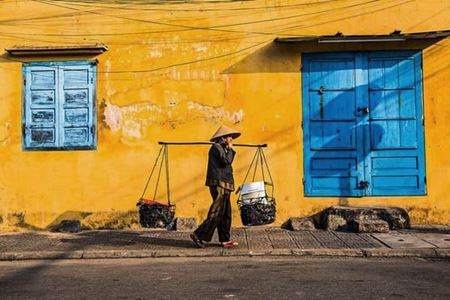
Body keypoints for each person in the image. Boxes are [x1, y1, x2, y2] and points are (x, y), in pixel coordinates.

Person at [190, 125, 241, 248]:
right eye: (229, 137)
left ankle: (225, 239)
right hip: (219, 183)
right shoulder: (216, 148)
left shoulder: (222, 148)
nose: (231, 139)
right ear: (223, 138)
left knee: (226, 213)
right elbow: (226, 161)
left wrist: (228, 148)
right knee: (217, 211)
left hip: (225, 183)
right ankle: (199, 235)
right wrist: (230, 148)